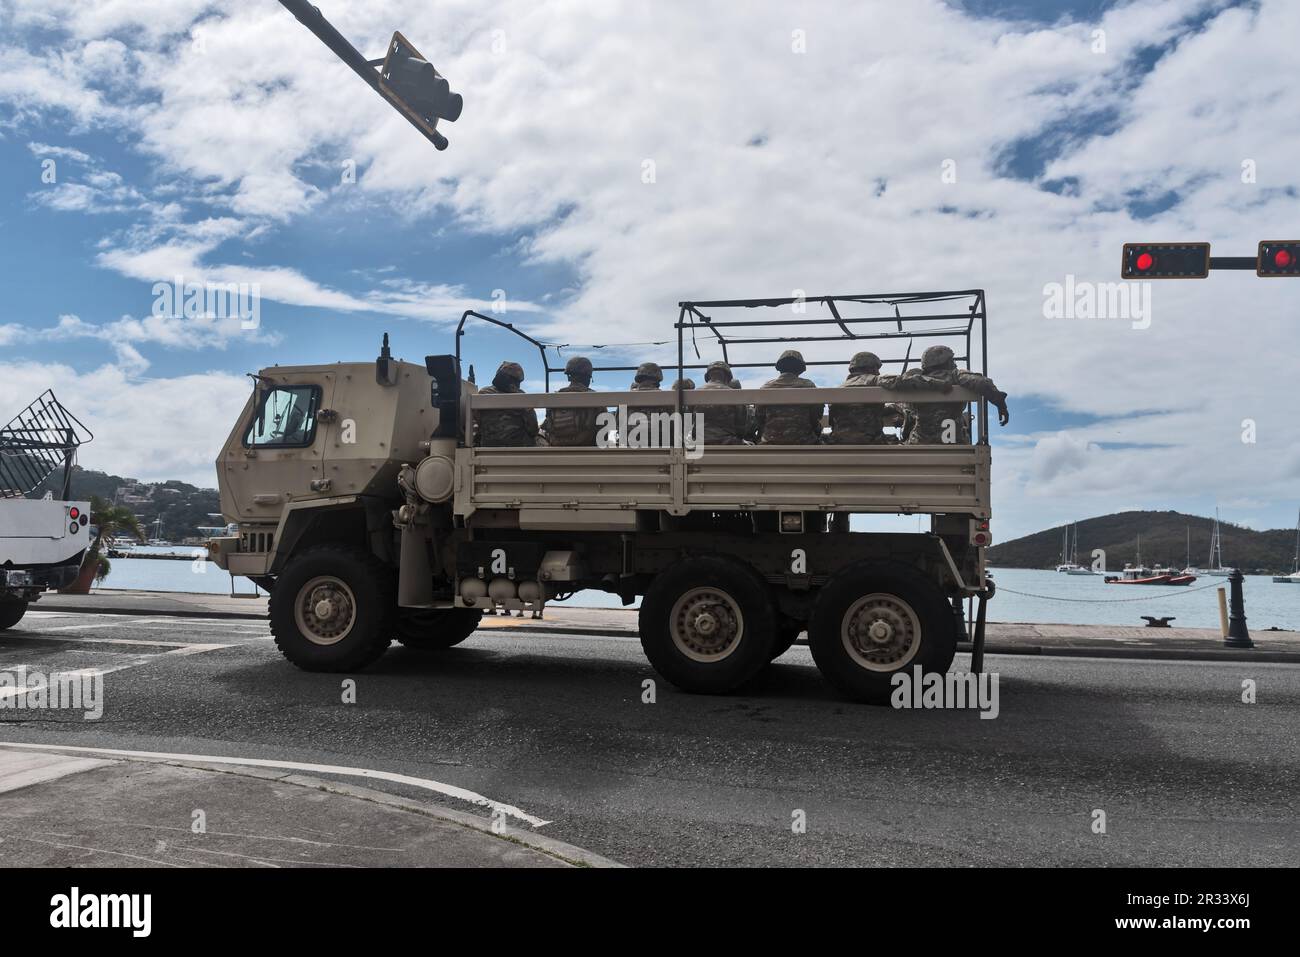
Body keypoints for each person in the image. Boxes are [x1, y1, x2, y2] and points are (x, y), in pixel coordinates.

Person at [889, 345, 1008, 445]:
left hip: (920, 442)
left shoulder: (916, 380)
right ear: (948, 362)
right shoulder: (955, 376)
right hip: (956, 442)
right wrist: (1000, 403)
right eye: (952, 360)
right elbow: (983, 383)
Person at [827, 351, 898, 445]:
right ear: (869, 368)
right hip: (871, 442)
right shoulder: (873, 380)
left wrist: (890, 408)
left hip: (840, 442)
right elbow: (902, 381)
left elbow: (859, 411)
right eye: (876, 368)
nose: (878, 372)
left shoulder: (839, 389)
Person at [755, 350, 823, 445]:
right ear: (800, 369)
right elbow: (816, 416)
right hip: (805, 441)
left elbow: (759, 418)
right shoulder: (808, 385)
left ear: (780, 367)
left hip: (770, 442)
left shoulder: (766, 387)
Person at [474, 361, 540, 447]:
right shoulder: (521, 396)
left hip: (488, 446)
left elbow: (477, 420)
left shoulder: (483, 392)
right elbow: (533, 430)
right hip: (519, 448)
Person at [541, 355, 603, 447]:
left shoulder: (554, 399)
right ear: (588, 377)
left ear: (569, 377)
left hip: (557, 453)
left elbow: (547, 427)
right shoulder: (597, 399)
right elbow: (605, 433)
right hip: (589, 454)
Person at [698, 361, 749, 445]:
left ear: (708, 376)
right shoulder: (736, 395)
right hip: (727, 442)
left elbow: (688, 423)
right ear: (727, 376)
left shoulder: (695, 392)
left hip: (699, 442)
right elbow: (741, 429)